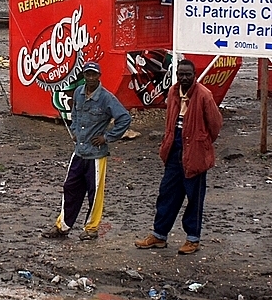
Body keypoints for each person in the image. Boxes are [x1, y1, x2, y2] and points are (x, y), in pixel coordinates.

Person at [135, 59, 223, 254]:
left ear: (194, 76)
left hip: (195, 153)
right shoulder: (173, 92)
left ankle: (193, 239)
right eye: (181, 74)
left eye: (188, 75)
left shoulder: (204, 95)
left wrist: (202, 143)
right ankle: (159, 235)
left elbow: (215, 125)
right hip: (174, 150)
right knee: (167, 194)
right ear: (176, 75)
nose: (184, 78)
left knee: (194, 197)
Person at [42, 61, 132, 241]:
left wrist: (107, 137)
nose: (90, 78)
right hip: (79, 152)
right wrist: (74, 130)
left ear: (99, 76)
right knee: (69, 187)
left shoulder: (107, 98)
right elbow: (74, 113)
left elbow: (124, 118)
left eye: (93, 75)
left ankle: (91, 228)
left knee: (95, 193)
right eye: (87, 75)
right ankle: (63, 226)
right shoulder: (78, 93)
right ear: (84, 76)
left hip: (96, 155)